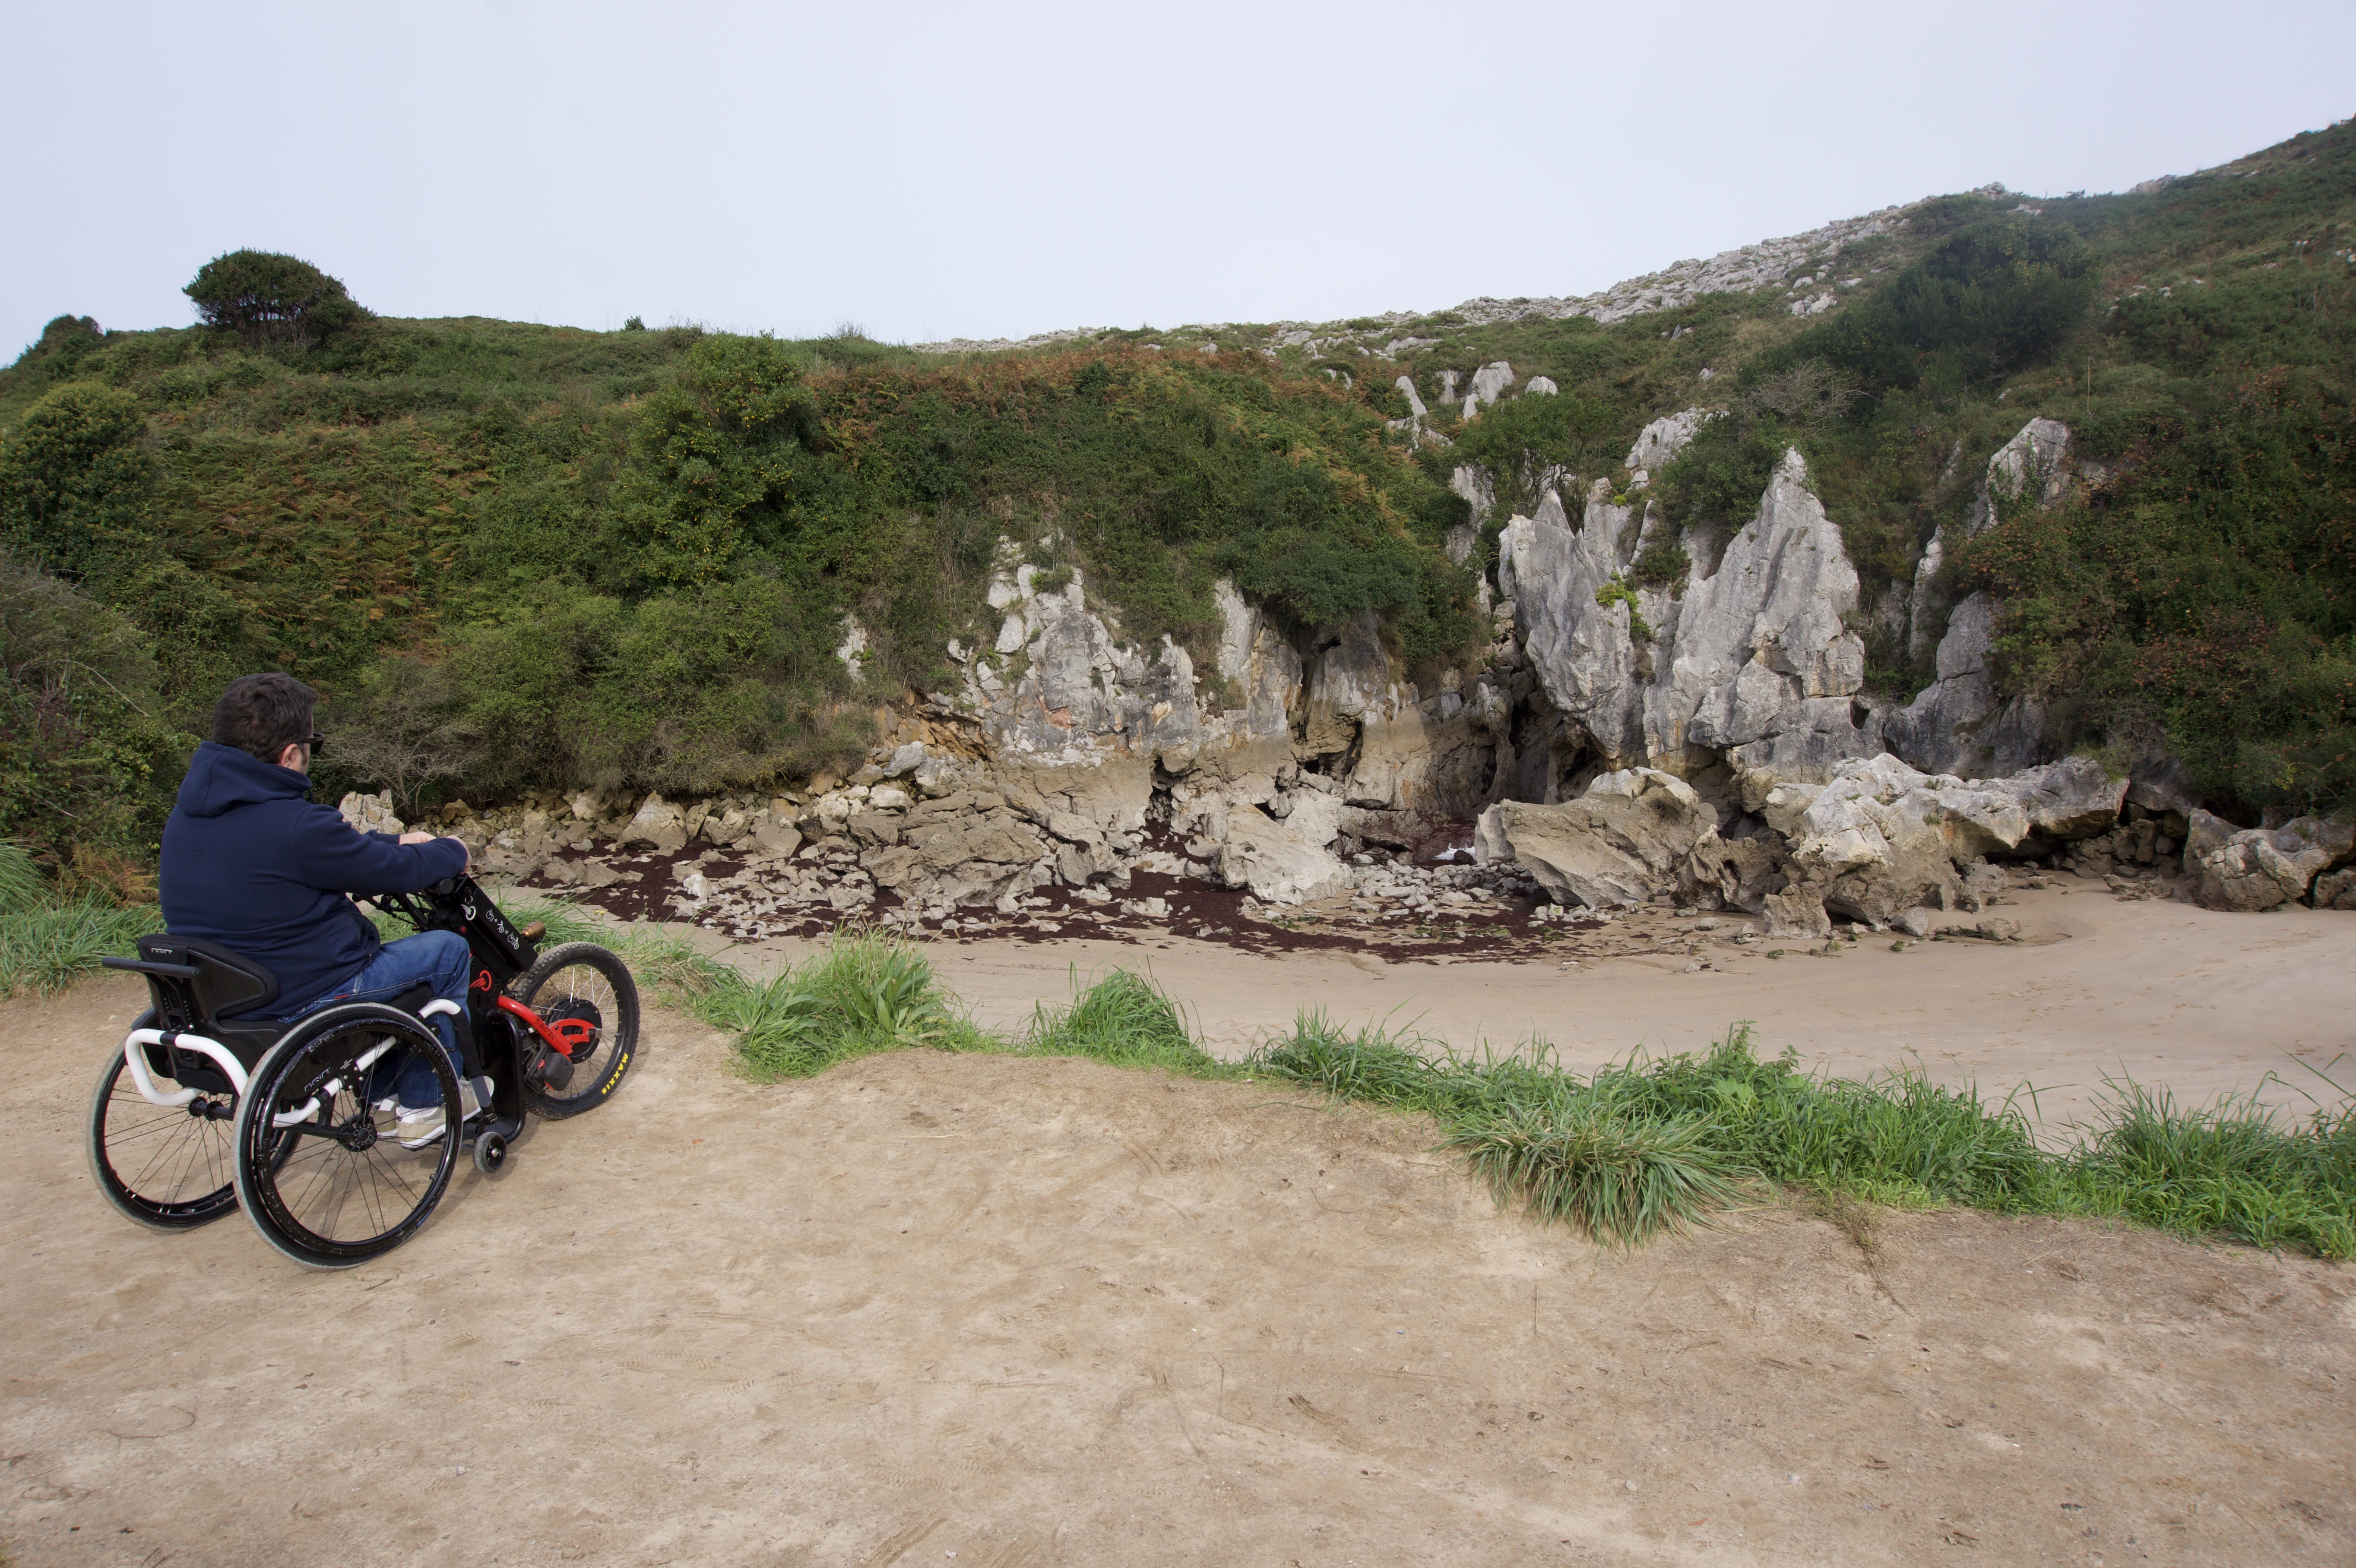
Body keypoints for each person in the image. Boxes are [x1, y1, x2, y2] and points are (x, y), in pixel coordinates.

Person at [158, 673, 476, 1143]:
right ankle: (425, 1103)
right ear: (290, 755)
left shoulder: (187, 814)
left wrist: (395, 840)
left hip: (222, 996)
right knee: (446, 951)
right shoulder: (295, 823)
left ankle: (383, 1090)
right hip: (301, 994)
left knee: (394, 961)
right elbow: (391, 871)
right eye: (313, 744)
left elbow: (323, 853)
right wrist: (450, 849)